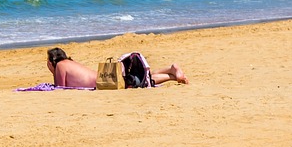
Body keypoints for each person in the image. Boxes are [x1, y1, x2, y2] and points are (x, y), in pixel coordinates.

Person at [45, 47, 188, 88]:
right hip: (102, 77)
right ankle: (170, 71)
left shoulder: (60, 66)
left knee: (141, 82)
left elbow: (60, 88)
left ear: (52, 61)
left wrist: (53, 70)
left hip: (105, 82)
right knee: (140, 79)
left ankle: (171, 75)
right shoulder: (69, 63)